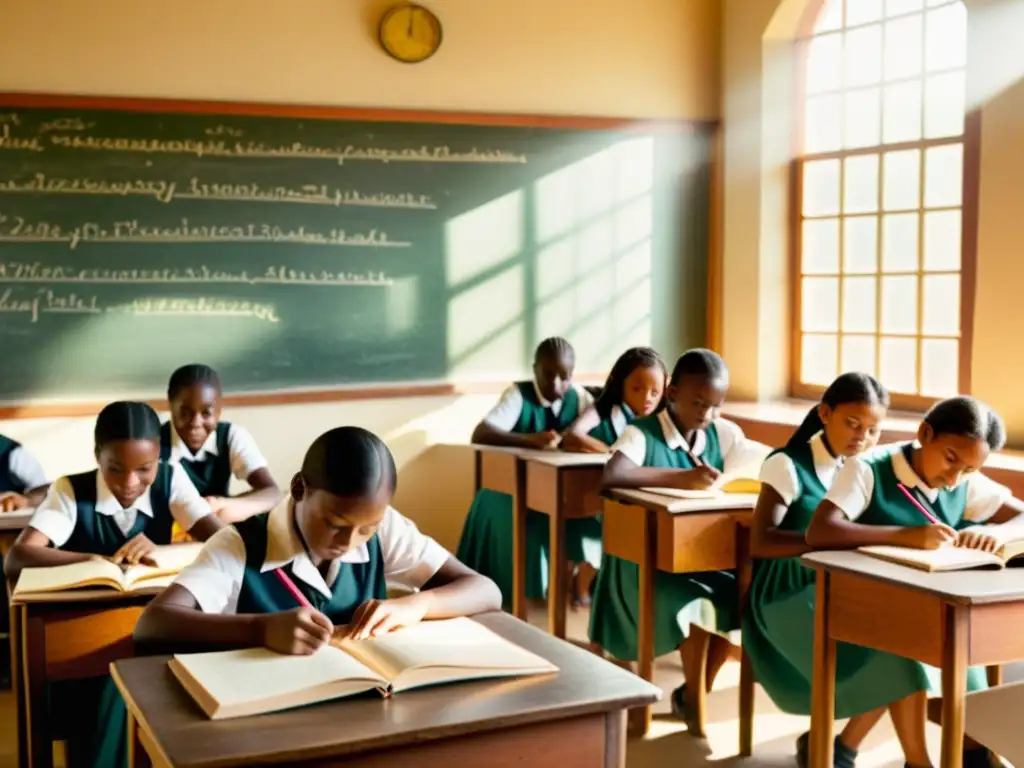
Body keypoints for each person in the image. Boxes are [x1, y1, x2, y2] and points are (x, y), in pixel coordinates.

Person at [134, 426, 501, 655]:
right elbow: (153, 627)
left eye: (366, 529)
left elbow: (485, 591)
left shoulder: (382, 526)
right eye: (334, 523)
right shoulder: (240, 545)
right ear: (298, 489)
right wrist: (261, 629)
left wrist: (416, 605)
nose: (350, 541)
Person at [806, 396, 1024, 768]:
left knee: (963, 658)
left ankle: (971, 752)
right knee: (907, 659)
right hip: (859, 601)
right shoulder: (868, 468)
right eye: (951, 458)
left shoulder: (963, 480)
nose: (955, 477)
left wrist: (998, 537)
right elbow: (820, 531)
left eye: (969, 470)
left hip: (930, 603)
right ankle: (919, 761)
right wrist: (903, 535)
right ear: (925, 433)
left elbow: (1020, 516)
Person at [4, 401, 222, 768]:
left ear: (159, 459)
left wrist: (165, 548)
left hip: (149, 628)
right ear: (97, 457)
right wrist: (92, 560)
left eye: (144, 469)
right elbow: (18, 557)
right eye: (115, 469)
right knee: (113, 685)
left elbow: (224, 544)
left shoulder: (171, 479)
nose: (129, 483)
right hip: (78, 645)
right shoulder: (71, 490)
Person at [743, 372, 919, 768]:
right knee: (894, 658)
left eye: (873, 430)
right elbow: (761, 542)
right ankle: (847, 748)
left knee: (909, 648)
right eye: (852, 425)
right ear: (825, 413)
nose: (862, 437)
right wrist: (834, 538)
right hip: (785, 593)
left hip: (841, 585)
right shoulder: (787, 464)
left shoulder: (861, 469)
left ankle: (840, 746)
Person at [591, 348, 768, 732]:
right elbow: (612, 475)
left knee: (742, 600)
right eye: (698, 402)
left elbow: (758, 461)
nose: (706, 414)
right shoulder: (642, 432)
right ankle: (692, 699)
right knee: (695, 606)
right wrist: (679, 479)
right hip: (642, 562)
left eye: (715, 405)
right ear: (671, 393)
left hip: (705, 557)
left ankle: (694, 693)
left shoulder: (723, 433)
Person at [456, 337, 594, 608]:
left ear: (572, 375)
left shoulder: (579, 397)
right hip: (508, 487)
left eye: (564, 377)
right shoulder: (519, 395)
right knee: (522, 519)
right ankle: (514, 597)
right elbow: (480, 433)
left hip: (556, 489)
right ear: (535, 369)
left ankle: (572, 588)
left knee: (587, 518)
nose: (556, 384)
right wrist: (528, 440)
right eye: (548, 374)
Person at [562, 346, 667, 604]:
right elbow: (573, 436)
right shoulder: (603, 410)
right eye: (637, 388)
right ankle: (581, 587)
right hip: (593, 496)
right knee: (601, 530)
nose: (647, 398)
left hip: (634, 499)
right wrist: (613, 452)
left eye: (655, 392)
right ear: (619, 384)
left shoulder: (659, 422)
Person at [161, 364, 280, 525]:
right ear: (170, 404)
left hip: (218, 530)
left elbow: (272, 493)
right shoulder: (153, 444)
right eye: (185, 412)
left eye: (206, 413)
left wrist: (225, 505)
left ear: (219, 409)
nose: (196, 423)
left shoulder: (230, 436)